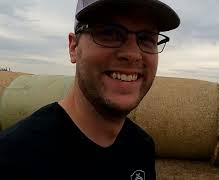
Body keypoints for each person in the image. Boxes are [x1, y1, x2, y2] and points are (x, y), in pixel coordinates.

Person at [0, 0, 180, 179]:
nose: (132, 55)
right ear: (73, 47)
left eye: (147, 38)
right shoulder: (14, 157)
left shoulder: (142, 147)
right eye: (110, 33)